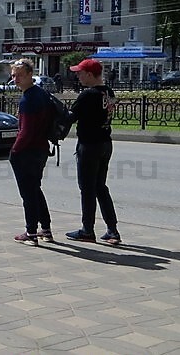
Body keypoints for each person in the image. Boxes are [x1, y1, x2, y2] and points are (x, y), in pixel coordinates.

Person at [66, 59, 121, 244]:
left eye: (80, 73)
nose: (77, 76)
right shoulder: (108, 92)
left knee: (87, 188)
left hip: (89, 145)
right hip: (105, 143)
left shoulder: (88, 94)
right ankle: (112, 230)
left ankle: (87, 230)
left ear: (89, 74)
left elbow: (70, 117)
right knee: (100, 187)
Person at [7, 58, 54, 246]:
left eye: (19, 75)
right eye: (13, 75)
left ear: (30, 74)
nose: (16, 79)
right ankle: (46, 229)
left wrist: (14, 150)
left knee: (28, 194)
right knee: (35, 189)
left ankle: (31, 233)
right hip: (42, 148)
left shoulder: (28, 99)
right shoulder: (42, 94)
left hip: (27, 151)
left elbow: (25, 131)